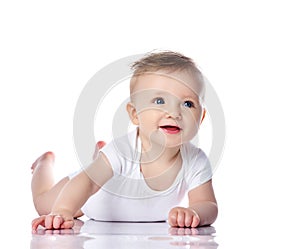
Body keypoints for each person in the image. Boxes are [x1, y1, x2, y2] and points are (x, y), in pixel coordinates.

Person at [31, 51, 218, 231]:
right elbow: (87, 183)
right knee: (44, 204)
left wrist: (194, 213)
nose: (174, 113)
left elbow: (207, 203)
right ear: (135, 114)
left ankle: (100, 154)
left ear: (200, 118)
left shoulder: (196, 160)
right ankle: (44, 162)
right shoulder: (122, 151)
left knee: (106, 161)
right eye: (159, 101)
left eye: (188, 104)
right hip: (87, 200)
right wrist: (63, 211)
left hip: (109, 168)